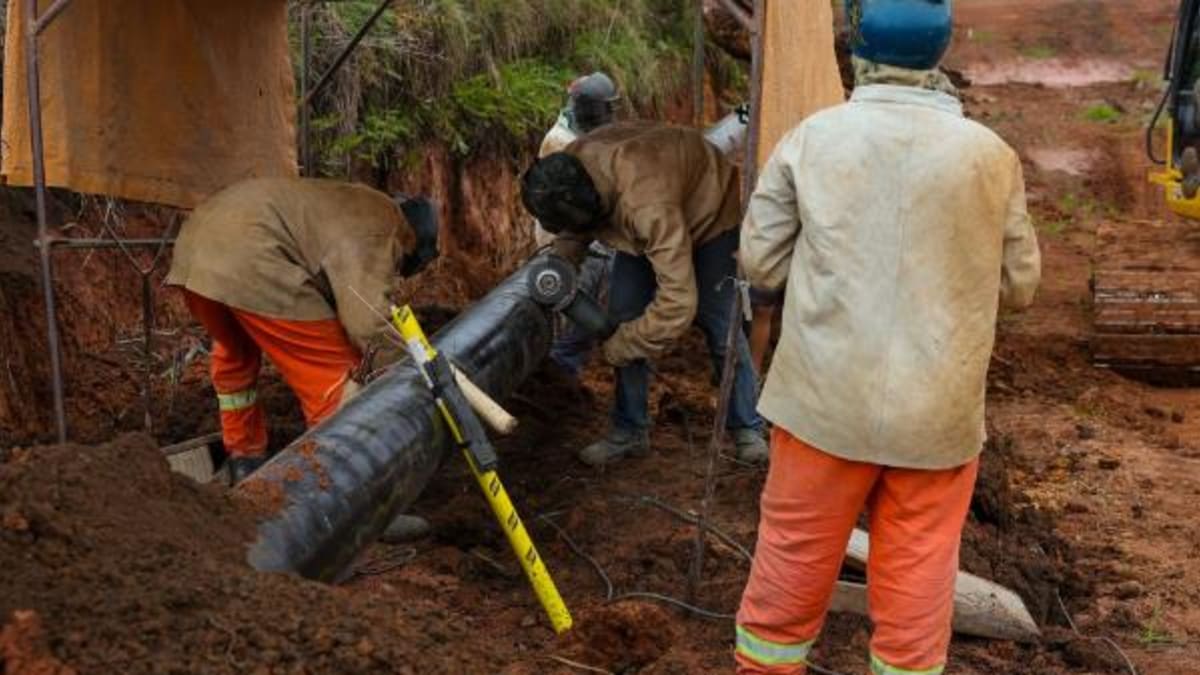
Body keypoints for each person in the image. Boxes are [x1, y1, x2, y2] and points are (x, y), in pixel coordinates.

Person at [731, 2, 1042, 673]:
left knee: (792, 558)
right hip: (937, 416)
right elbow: (1019, 287)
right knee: (919, 579)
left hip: (820, 403)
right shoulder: (990, 155)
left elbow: (759, 263)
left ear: (859, 52)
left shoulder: (814, 138)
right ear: (938, 57)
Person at [521, 121, 768, 466]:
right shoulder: (572, 167)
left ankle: (747, 428)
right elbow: (575, 228)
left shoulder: (646, 209)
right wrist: (560, 265)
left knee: (721, 324)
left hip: (709, 211)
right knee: (624, 314)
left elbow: (680, 302)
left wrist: (627, 344)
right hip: (653, 191)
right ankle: (629, 431)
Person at [166, 177, 439, 486]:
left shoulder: (345, 202)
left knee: (236, 358)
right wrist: (406, 371)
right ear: (412, 242)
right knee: (339, 381)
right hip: (255, 258)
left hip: (196, 258)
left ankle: (244, 459)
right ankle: (345, 489)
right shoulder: (383, 226)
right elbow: (366, 320)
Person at [536, 72, 622, 378]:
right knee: (574, 308)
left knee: (595, 299)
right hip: (566, 241)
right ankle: (560, 372)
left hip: (589, 239)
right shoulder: (560, 143)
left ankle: (567, 364)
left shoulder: (585, 135)